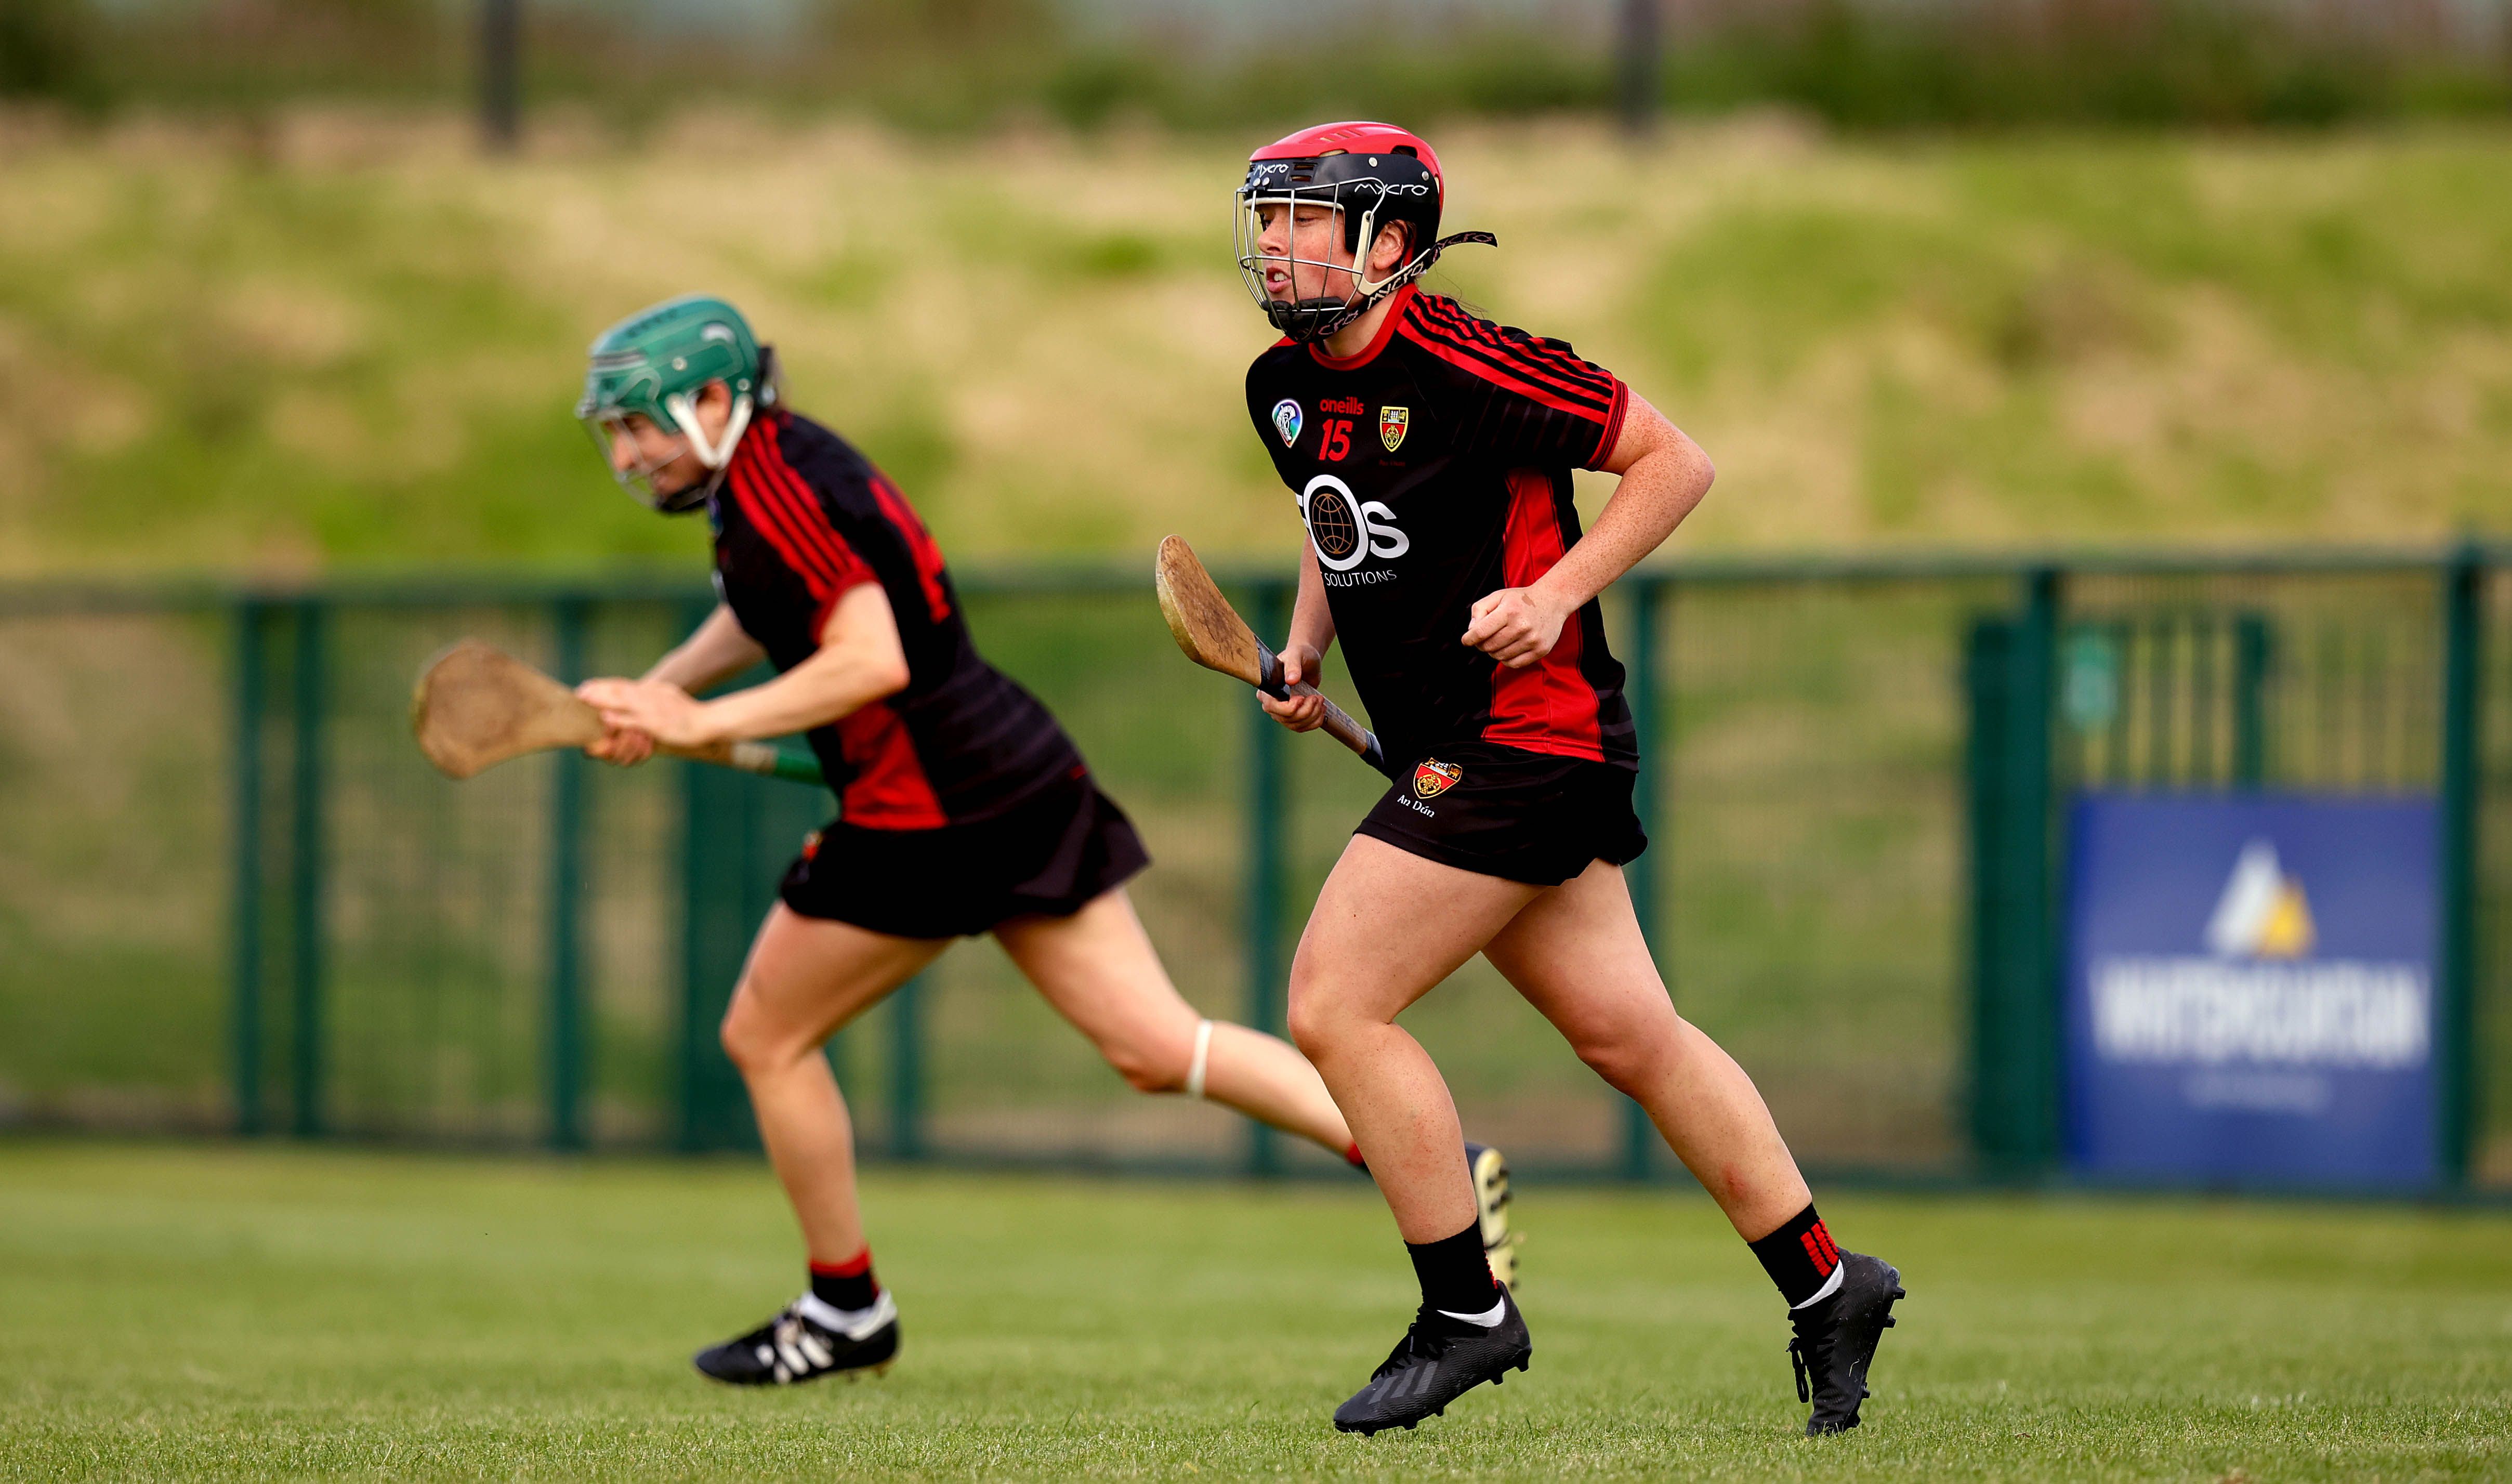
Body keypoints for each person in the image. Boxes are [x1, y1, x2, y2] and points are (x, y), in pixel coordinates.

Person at [568, 294, 1513, 1387]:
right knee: (1158, 1047)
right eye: (619, 433)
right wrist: (656, 692)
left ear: (717, 401)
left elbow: (867, 656)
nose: (628, 453)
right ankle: (1448, 1167)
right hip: (1009, 774)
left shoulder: (776, 491)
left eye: (641, 425)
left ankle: (843, 1309)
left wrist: (699, 721)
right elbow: (769, 612)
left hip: (927, 809)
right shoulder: (772, 476)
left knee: (764, 1038)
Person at [1231, 123, 1904, 1437]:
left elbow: (1676, 463)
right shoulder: (1279, 384)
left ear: (1387, 243)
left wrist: (1554, 593)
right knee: (1628, 1035)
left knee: (1333, 1001)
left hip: (1528, 739)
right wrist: (1307, 647)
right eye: (1266, 217)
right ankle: (1829, 1287)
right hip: (1465, 747)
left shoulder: (1479, 361)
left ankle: (1466, 1313)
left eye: (1305, 219)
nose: (1273, 242)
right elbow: (1329, 506)